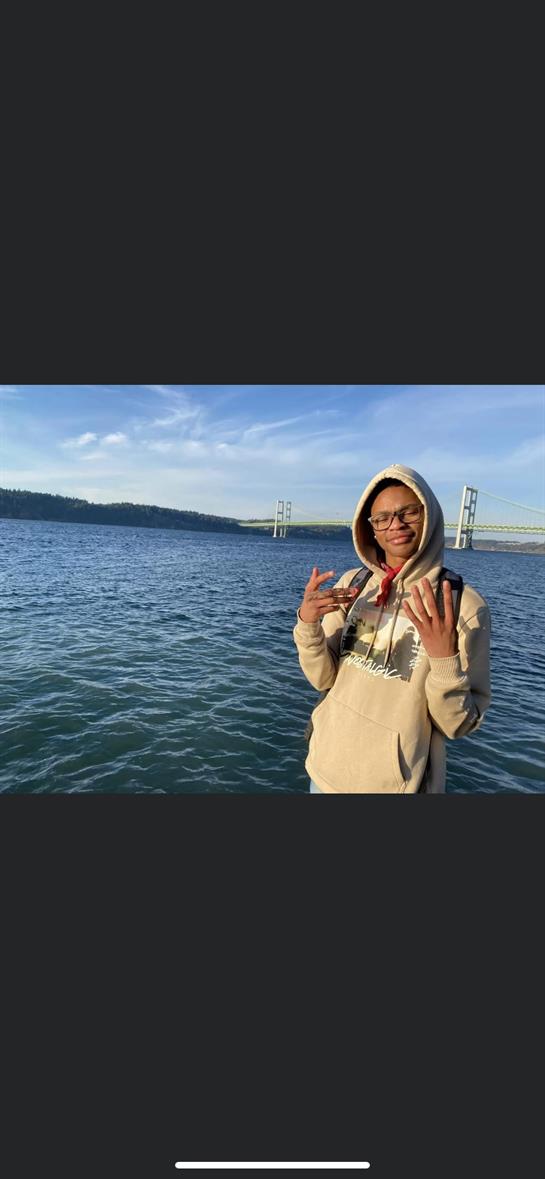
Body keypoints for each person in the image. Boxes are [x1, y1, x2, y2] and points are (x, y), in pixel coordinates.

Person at [293, 463, 491, 793]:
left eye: (408, 512)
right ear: (369, 529)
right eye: (382, 518)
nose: (395, 525)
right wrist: (307, 623)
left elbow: (457, 724)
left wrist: (443, 659)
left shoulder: (463, 607)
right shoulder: (354, 585)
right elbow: (322, 678)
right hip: (324, 771)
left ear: (428, 516)